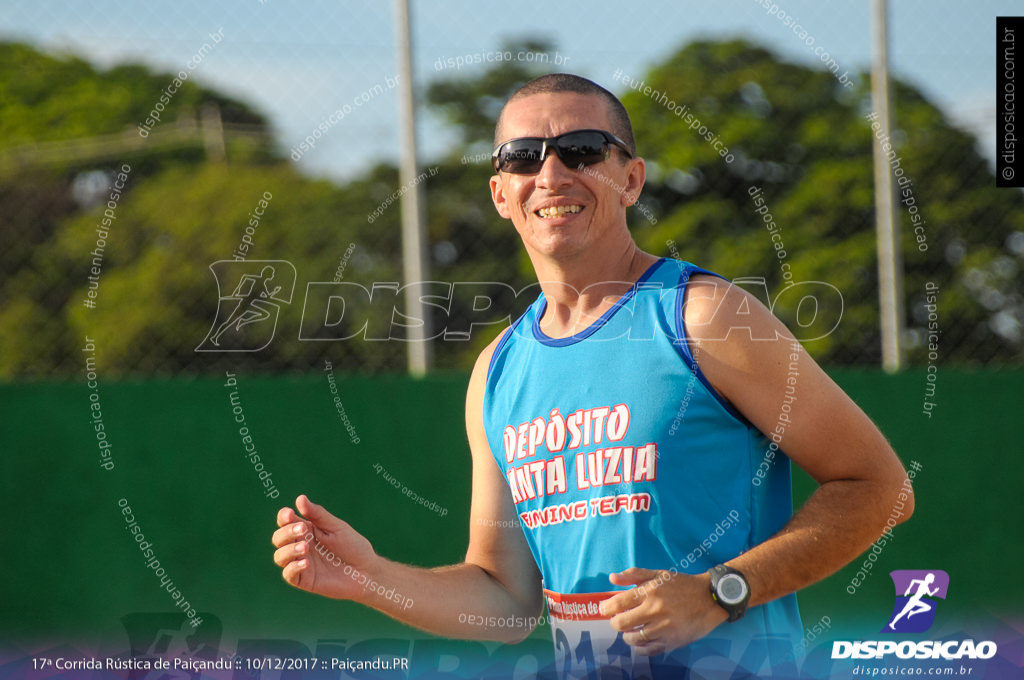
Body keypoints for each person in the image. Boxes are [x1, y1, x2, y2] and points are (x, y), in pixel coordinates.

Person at [271, 74, 913, 678]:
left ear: (630, 179)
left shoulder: (704, 315)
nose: (551, 174)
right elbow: (505, 599)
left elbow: (881, 488)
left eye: (581, 150)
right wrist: (371, 577)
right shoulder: (496, 372)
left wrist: (721, 593)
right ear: (501, 192)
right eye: (523, 156)